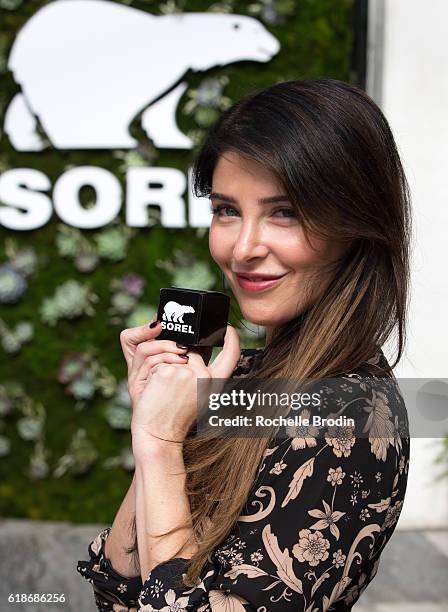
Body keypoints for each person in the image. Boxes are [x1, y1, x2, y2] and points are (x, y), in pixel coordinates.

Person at [77, 77, 411, 611]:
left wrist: (162, 445)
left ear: (356, 223)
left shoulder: (351, 413)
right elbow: (117, 589)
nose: (243, 248)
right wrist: (158, 423)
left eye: (285, 212)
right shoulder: (251, 376)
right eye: (227, 210)